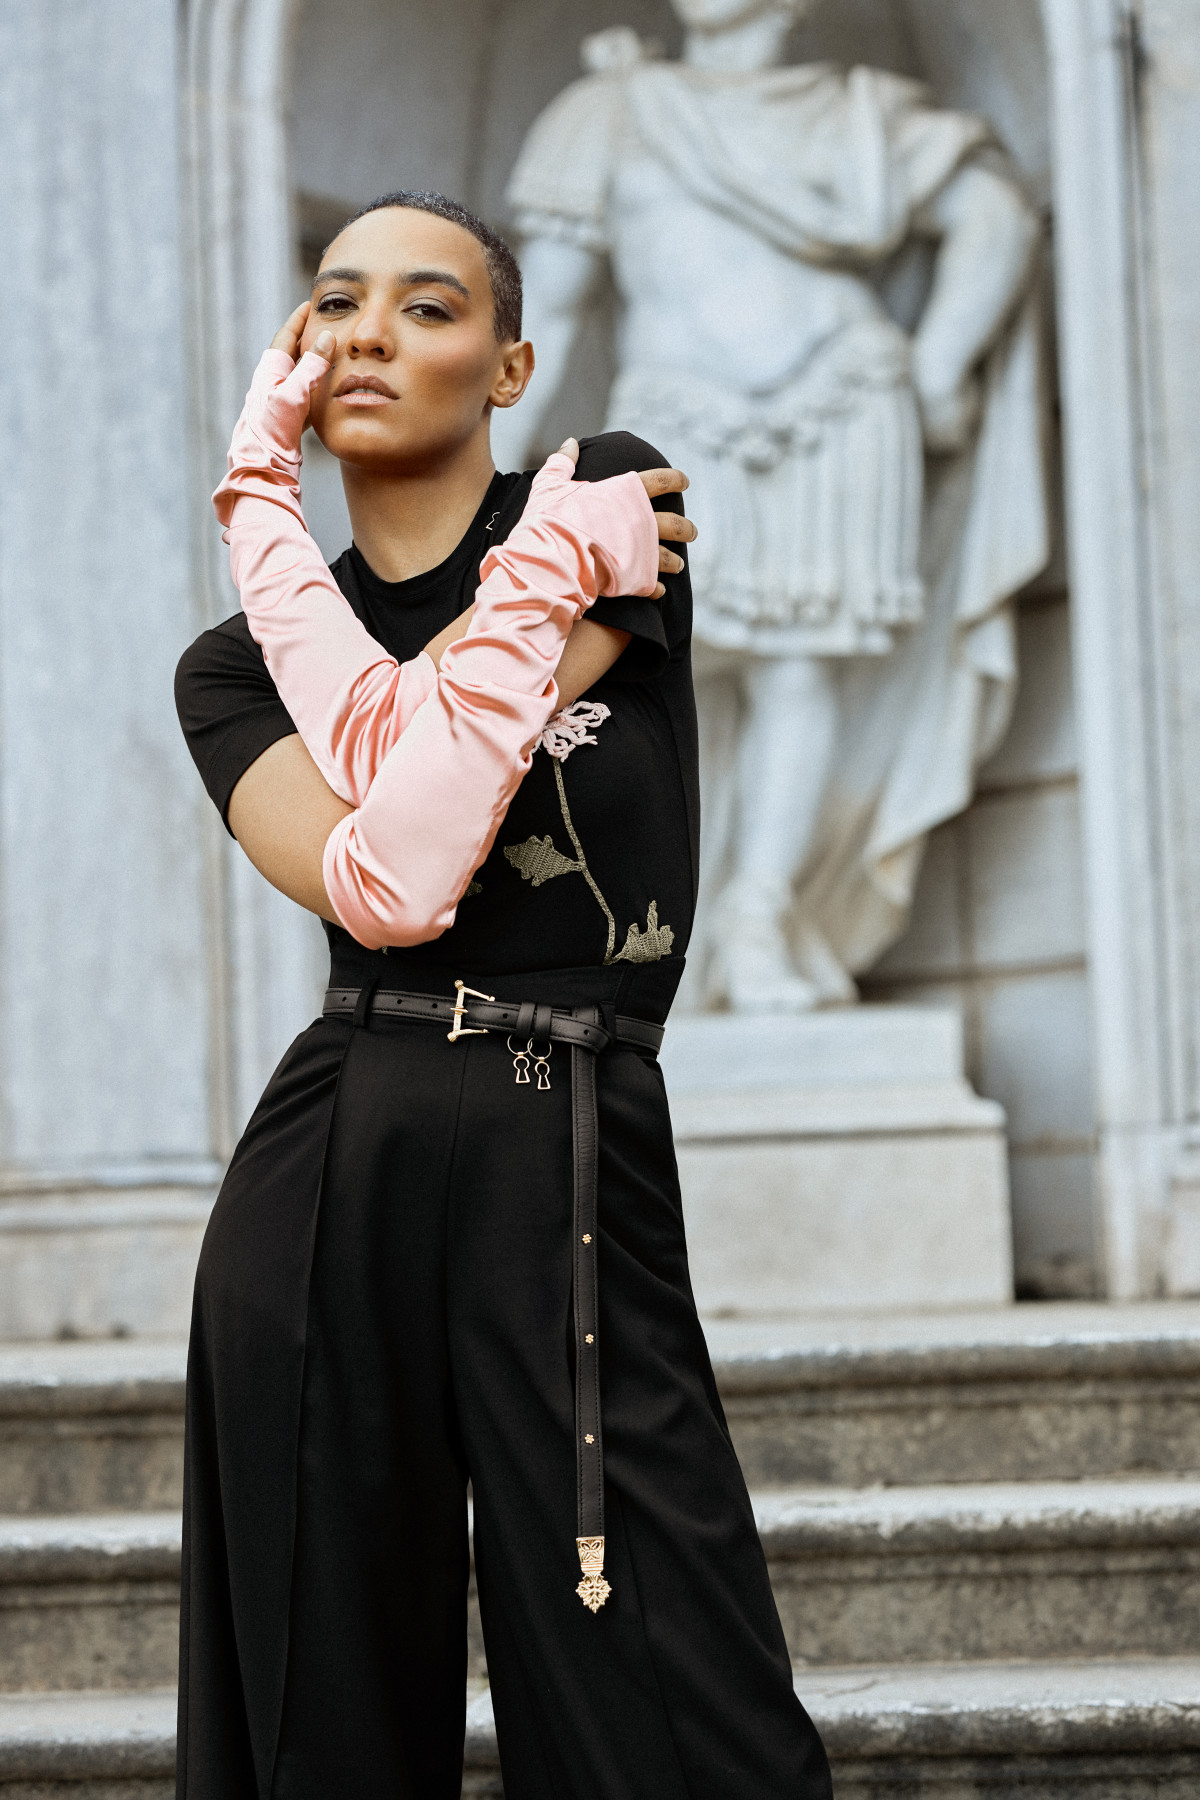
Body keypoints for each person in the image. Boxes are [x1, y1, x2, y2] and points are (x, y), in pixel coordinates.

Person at [174, 189, 832, 1800]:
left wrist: (290, 505)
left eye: (427, 306)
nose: (370, 335)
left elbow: (418, 760)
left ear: (510, 364)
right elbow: (392, 872)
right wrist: (281, 509)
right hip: (340, 1156)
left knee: (670, 1691)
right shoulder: (233, 668)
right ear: (295, 356)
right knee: (319, 1714)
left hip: (574, 1142)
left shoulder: (602, 493)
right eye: (335, 305)